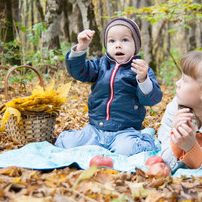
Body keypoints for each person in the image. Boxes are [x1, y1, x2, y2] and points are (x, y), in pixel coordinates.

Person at [55, 17, 163, 156]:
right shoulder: (100, 65)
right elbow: (79, 72)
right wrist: (81, 47)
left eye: (125, 40)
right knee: (66, 143)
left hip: (124, 131)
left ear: (136, 45)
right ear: (106, 44)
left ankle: (147, 140)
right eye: (112, 41)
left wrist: (143, 79)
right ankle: (98, 144)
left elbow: (151, 100)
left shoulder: (140, 69)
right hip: (95, 129)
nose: (118, 45)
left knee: (127, 150)